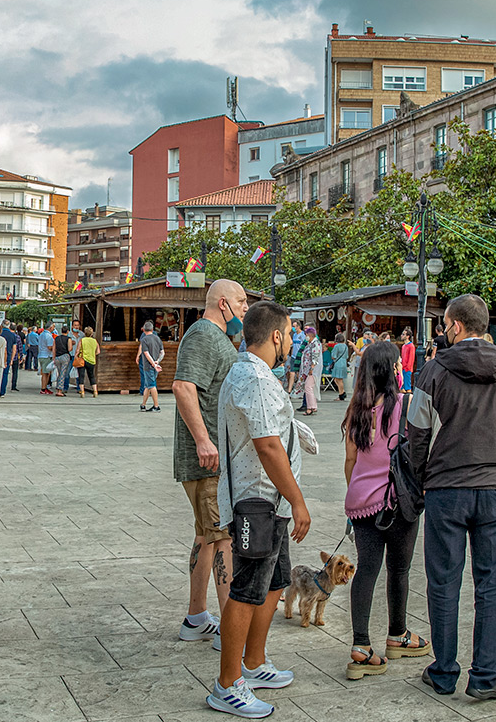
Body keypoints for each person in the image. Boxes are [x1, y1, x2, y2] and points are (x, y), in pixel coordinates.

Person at [402, 293, 496, 702]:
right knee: (491, 584)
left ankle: (443, 671)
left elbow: (416, 437)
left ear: (457, 326)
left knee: (443, 584)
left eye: (445, 324)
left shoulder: (432, 372)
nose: (442, 331)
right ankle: (485, 676)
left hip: (446, 490)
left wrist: (424, 478)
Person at [209, 297, 309, 717]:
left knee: (273, 582)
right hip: (258, 500)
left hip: (268, 501)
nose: (291, 342)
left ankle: (253, 662)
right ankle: (227, 683)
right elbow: (268, 446)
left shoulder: (252, 373)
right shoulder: (255, 378)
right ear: (276, 335)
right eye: (288, 334)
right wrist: (298, 501)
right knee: (248, 589)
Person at [173, 279, 251, 651]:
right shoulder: (204, 334)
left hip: (213, 456)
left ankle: (196, 618)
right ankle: (230, 630)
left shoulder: (219, 337)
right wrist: (204, 440)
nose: (245, 308)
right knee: (223, 539)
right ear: (223, 304)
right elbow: (183, 386)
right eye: (241, 301)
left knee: (207, 536)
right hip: (208, 459)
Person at [342, 342, 426, 680]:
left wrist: (359, 489)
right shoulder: (404, 406)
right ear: (393, 371)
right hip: (399, 502)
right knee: (399, 571)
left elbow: (350, 462)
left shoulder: (355, 410)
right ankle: (398, 635)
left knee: (366, 570)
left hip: (361, 504)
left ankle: (360, 647)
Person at [140, 321, 165, 412]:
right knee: (148, 385)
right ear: (152, 329)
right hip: (155, 365)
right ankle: (143, 404)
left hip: (149, 366)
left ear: (143, 330)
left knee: (152, 385)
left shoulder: (144, 340)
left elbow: (146, 354)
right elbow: (162, 352)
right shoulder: (158, 338)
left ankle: (156, 406)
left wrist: (153, 365)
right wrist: (157, 361)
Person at [298, 325, 322, 416]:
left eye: (306, 335)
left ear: (310, 335)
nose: (305, 337)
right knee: (309, 387)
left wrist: (312, 368)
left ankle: (310, 407)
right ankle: (313, 406)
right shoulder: (310, 344)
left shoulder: (315, 344)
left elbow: (315, 357)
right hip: (308, 369)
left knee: (308, 387)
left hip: (312, 370)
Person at [77, 327, 101, 397]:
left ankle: (82, 392)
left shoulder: (82, 340)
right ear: (91, 333)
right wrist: (92, 354)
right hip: (91, 360)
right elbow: (98, 351)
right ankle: (95, 391)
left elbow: (78, 350)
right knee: (92, 376)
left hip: (82, 360)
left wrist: (76, 356)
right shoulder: (95, 341)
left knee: (81, 376)